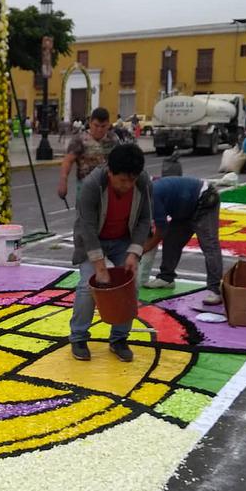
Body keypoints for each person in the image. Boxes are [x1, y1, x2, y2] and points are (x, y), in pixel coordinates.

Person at [69, 143, 152, 363]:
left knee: (130, 284)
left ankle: (119, 339)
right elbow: (86, 227)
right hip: (92, 240)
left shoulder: (143, 182)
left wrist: (134, 253)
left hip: (123, 240)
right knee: (88, 286)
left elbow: (145, 219)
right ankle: (78, 337)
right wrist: (99, 266)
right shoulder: (92, 185)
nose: (128, 185)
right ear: (110, 172)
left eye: (132, 180)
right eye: (122, 180)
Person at [140, 176, 224, 305]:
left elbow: (161, 230)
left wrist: (146, 248)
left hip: (204, 199)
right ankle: (166, 278)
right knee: (171, 240)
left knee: (209, 245)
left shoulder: (151, 197)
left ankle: (215, 289)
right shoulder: (144, 197)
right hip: (184, 207)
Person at [57, 106, 119, 201]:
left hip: (108, 186)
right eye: (96, 125)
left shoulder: (113, 139)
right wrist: (63, 181)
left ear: (108, 125)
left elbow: (121, 160)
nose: (99, 130)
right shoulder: (79, 139)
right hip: (85, 185)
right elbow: (68, 161)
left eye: (103, 126)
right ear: (90, 123)